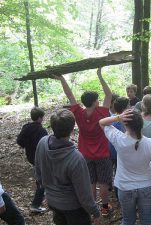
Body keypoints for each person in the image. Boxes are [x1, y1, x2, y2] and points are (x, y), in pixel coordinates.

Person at [53, 67, 113, 217]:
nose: (99, 101)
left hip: (85, 154)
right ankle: (105, 208)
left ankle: (92, 209)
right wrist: (99, 74)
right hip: (103, 154)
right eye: (97, 99)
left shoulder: (78, 113)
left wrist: (62, 79)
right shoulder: (102, 113)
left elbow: (70, 95)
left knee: (91, 182)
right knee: (104, 182)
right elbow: (109, 94)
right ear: (94, 102)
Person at [35, 109, 101, 225]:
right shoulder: (76, 158)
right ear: (72, 130)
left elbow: (38, 173)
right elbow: (84, 194)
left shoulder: (42, 143)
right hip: (74, 208)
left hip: (53, 202)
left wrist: (47, 193)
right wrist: (95, 212)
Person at [100, 110, 151, 225]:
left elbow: (101, 122)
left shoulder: (118, 138)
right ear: (141, 124)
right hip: (147, 186)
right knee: (147, 219)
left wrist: (118, 117)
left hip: (125, 187)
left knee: (128, 220)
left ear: (125, 125)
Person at [17, 107, 48, 213]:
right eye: (42, 117)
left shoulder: (26, 127)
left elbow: (19, 141)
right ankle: (35, 205)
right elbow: (46, 145)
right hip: (39, 159)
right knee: (42, 181)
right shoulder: (41, 130)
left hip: (31, 157)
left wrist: (28, 145)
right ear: (40, 118)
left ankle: (42, 198)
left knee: (40, 179)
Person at [109, 96, 129, 200]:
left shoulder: (112, 118)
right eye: (128, 106)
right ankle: (119, 195)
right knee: (118, 172)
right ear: (124, 108)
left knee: (116, 171)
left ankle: (114, 190)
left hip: (112, 150)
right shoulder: (120, 121)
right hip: (118, 151)